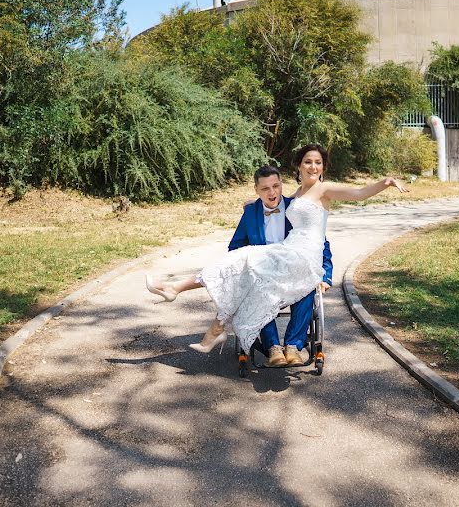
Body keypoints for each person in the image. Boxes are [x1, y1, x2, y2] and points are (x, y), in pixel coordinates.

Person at [145, 143, 407, 355]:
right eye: (308, 161)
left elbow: (358, 193)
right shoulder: (298, 193)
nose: (313, 166)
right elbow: (283, 201)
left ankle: (214, 322)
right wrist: (256, 200)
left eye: (318, 162)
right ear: (299, 166)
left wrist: (384, 182)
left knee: (246, 262)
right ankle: (179, 293)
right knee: (239, 261)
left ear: (323, 167)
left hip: (303, 257)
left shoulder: (325, 189)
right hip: (289, 252)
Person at [227, 164, 333, 367]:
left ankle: (293, 346)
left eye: (276, 186)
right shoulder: (251, 213)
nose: (272, 192)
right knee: (258, 288)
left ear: (282, 184)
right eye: (265, 188)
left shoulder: (296, 209)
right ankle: (273, 348)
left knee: (308, 284)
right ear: (256, 190)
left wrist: (325, 275)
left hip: (294, 272)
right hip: (265, 275)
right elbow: (235, 247)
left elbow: (320, 243)